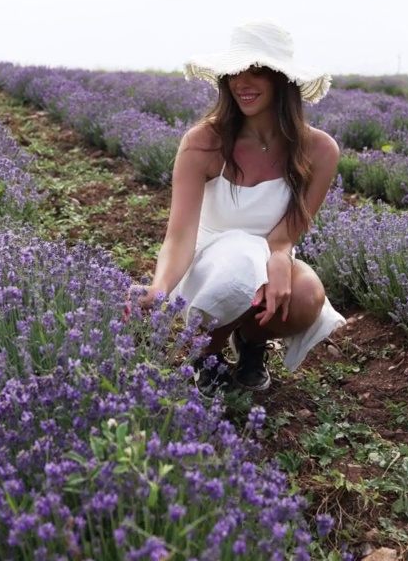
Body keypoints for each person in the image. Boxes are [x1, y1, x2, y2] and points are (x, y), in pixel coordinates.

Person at [131, 20, 346, 394]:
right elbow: (180, 236)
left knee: (307, 296)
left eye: (257, 72)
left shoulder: (319, 151)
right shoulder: (204, 143)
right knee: (241, 260)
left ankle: (251, 341)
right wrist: (160, 287)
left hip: (264, 256)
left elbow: (286, 234)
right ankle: (206, 354)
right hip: (207, 264)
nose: (242, 83)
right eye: (234, 73)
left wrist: (280, 256)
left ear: (283, 80)